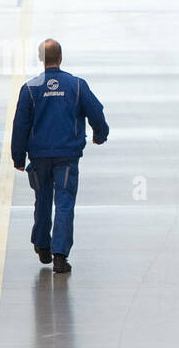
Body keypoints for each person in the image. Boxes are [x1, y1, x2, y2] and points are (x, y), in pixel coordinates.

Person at [11, 39, 109, 273]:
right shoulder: (76, 85)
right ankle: (59, 256)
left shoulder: (30, 89)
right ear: (61, 57)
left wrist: (18, 158)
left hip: (39, 156)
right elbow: (96, 111)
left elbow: (20, 125)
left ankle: (42, 245)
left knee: (42, 200)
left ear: (40, 58)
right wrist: (100, 135)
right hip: (66, 156)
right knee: (64, 202)